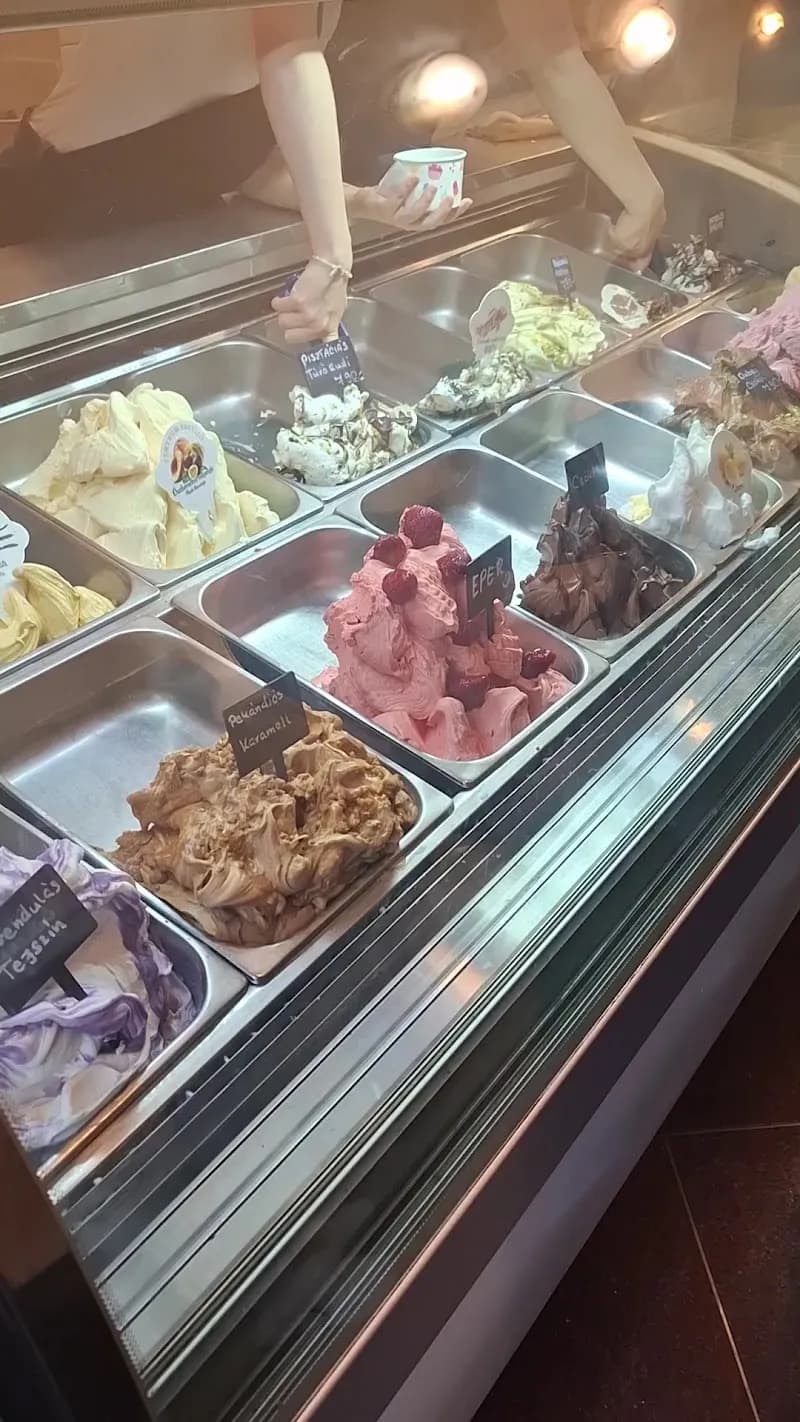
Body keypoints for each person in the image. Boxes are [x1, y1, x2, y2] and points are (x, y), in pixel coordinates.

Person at [0, 6, 468, 344]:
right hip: (58, 214)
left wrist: (362, 201)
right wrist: (332, 256)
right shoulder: (294, 41)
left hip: (172, 227)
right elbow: (287, 53)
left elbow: (242, 166)